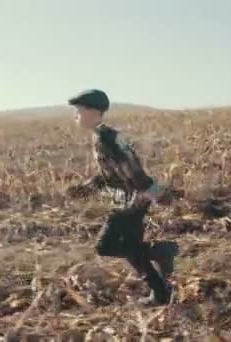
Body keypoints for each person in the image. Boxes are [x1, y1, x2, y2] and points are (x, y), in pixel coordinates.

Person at [65, 88, 173, 305]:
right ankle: (160, 292)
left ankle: (160, 251)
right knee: (132, 249)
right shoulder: (104, 136)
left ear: (93, 111)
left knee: (105, 246)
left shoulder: (107, 139)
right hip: (130, 199)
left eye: (79, 110)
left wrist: (156, 194)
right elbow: (110, 173)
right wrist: (87, 188)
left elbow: (132, 171)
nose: (76, 116)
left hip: (129, 202)